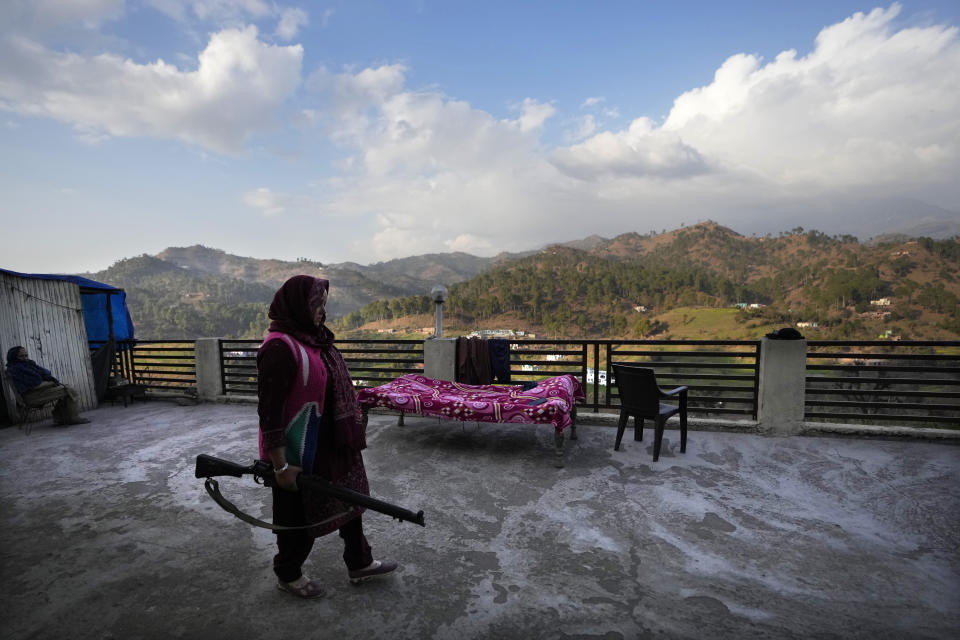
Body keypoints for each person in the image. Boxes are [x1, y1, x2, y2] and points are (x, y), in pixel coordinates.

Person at [257, 275, 397, 599]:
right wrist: (280, 466)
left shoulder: (313, 339)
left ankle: (359, 561)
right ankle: (288, 573)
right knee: (297, 516)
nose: (322, 311)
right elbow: (270, 414)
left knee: (352, 502)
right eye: (315, 304)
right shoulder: (279, 347)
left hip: (333, 442)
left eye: (323, 304)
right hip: (300, 450)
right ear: (296, 307)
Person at [5, 346, 90, 425]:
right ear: (13, 358)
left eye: (26, 355)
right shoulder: (15, 369)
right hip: (32, 396)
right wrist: (51, 383)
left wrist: (49, 380)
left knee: (65, 389)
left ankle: (59, 418)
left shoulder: (29, 365)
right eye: (21, 356)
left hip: (39, 392)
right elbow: (35, 383)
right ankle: (74, 418)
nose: (25, 358)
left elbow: (44, 373)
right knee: (69, 390)